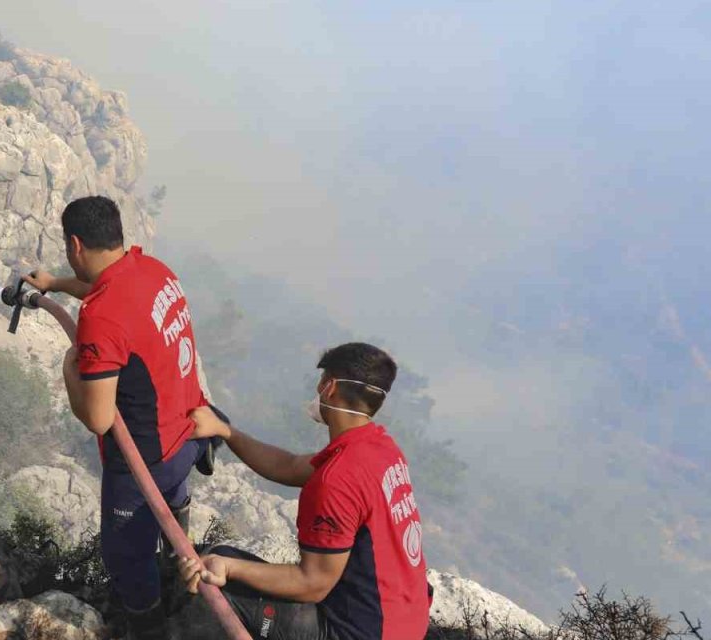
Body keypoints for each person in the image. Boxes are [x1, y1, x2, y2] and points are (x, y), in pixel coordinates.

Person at [24, 195, 213, 639]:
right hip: (193, 430)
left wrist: (69, 371)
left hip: (148, 457)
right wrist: (54, 283)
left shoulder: (101, 315)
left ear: (74, 243)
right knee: (168, 505)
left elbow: (98, 417)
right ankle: (175, 549)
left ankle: (149, 628)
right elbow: (108, 293)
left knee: (125, 554)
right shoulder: (153, 271)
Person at [178, 343, 432, 640]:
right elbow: (288, 466)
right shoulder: (380, 449)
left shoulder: (336, 479)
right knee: (220, 557)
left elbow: (312, 583)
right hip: (406, 623)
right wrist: (226, 432)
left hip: (361, 633)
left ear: (329, 387)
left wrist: (228, 567)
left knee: (213, 583)